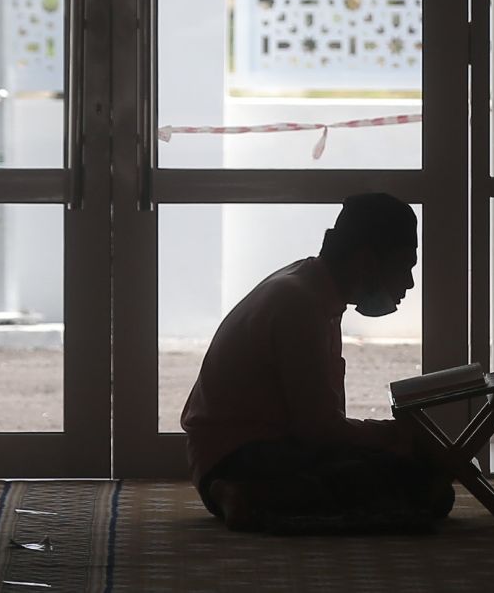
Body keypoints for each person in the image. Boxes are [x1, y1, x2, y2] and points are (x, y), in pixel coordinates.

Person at [180, 193, 454, 533]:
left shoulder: (314, 290)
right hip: (244, 457)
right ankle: (251, 493)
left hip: (245, 452)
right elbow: (319, 431)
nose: (409, 283)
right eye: (403, 267)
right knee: (419, 487)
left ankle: (250, 495)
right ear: (367, 262)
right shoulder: (301, 306)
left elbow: (322, 426)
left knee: (417, 479)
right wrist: (400, 436)